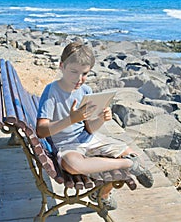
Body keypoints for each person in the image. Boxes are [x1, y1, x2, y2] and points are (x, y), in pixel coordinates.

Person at [36, 40, 153, 210]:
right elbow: (41, 131)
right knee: (75, 165)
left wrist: (101, 119)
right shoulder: (52, 91)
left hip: (89, 139)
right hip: (66, 144)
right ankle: (127, 165)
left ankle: (103, 193)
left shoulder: (86, 91)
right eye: (73, 72)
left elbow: (89, 128)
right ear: (61, 66)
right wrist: (71, 119)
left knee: (131, 152)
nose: (79, 79)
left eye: (84, 73)